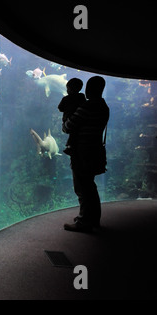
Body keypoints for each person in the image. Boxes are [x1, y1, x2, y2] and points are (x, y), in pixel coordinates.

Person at [62, 76, 110, 233]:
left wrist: (65, 120)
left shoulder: (87, 107)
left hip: (83, 153)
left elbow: (68, 127)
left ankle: (84, 222)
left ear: (91, 89)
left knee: (82, 187)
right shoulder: (104, 107)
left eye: (88, 87)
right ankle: (93, 219)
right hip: (95, 151)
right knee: (90, 186)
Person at [58, 78, 86, 155]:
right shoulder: (81, 97)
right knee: (75, 134)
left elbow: (60, 108)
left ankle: (70, 147)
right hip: (80, 122)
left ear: (69, 89)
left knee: (72, 134)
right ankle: (70, 147)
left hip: (68, 121)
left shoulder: (65, 98)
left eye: (67, 88)